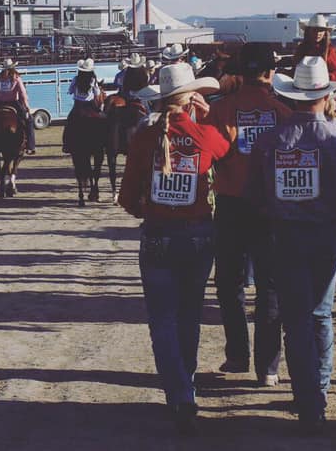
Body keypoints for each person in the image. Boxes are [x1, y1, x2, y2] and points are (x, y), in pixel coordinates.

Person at [249, 56, 336, 431]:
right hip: (325, 234)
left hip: (285, 236)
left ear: (292, 96)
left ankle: (308, 397)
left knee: (297, 319)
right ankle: (317, 392)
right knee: (320, 314)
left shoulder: (269, 141)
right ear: (326, 96)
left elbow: (254, 196)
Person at [118, 63, 229, 435]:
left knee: (162, 319)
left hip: (158, 234)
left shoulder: (143, 138)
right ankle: (186, 383)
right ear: (192, 97)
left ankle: (180, 392)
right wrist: (208, 117)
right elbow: (228, 152)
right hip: (197, 234)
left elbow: (127, 198)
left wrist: (149, 209)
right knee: (189, 314)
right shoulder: (205, 135)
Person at [204, 42, 292, 385]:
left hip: (231, 203)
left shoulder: (221, 110)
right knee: (270, 286)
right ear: (271, 72)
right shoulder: (282, 112)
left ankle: (237, 354)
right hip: (270, 207)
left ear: (240, 71)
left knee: (230, 282)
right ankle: (268, 367)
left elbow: (210, 155)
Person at [0, 58, 36, 154]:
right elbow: (23, 93)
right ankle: (30, 146)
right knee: (29, 120)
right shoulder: (16, 77)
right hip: (13, 103)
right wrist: (27, 106)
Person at [62, 58, 103, 154]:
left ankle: (66, 144)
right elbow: (97, 93)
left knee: (69, 122)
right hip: (90, 105)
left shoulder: (76, 79)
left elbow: (70, 90)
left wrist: (74, 91)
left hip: (78, 105)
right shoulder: (93, 80)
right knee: (102, 120)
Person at [293, 14, 336, 82]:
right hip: (302, 85)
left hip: (325, 85)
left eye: (321, 30)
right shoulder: (301, 48)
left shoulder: (331, 50)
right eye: (315, 30)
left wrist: (326, 77)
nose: (318, 33)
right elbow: (295, 70)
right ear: (309, 31)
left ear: (325, 33)